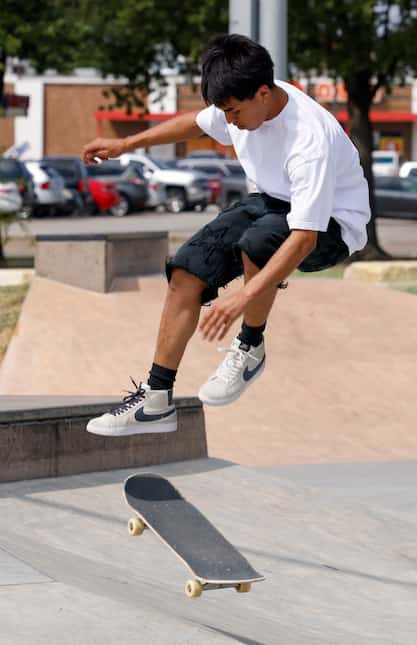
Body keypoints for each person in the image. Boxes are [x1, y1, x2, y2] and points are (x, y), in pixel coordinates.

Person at [82, 34, 370, 437]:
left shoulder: (309, 139)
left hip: (334, 226)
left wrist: (242, 298)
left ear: (264, 93)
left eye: (234, 112)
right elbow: (194, 125)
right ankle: (156, 400)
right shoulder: (239, 101)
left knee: (259, 242)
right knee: (187, 268)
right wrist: (126, 143)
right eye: (225, 112)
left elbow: (304, 238)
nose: (230, 122)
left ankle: (251, 347)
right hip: (272, 202)